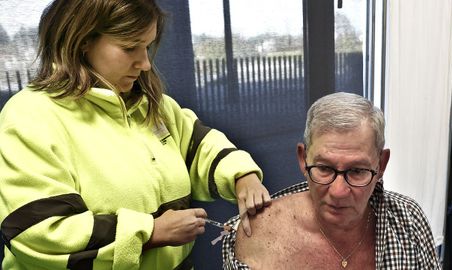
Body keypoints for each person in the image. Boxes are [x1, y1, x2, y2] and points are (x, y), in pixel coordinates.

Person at [0, 0, 271, 269]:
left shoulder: (152, 105)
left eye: (147, 47)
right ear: (82, 40)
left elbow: (199, 148)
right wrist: (150, 232)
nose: (145, 64)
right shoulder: (29, 117)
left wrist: (242, 178)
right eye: (130, 47)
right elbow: (40, 233)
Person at [222, 92, 441, 270]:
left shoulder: (408, 223)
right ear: (303, 159)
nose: (338, 192)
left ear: (381, 165)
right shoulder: (257, 234)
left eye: (356, 171)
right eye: (325, 169)